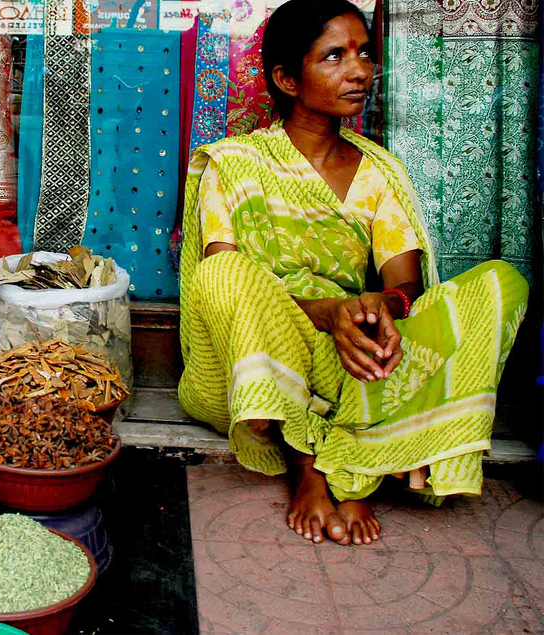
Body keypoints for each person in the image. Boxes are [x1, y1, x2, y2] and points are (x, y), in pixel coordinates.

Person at [178, 0, 529, 546]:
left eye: (364, 53)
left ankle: (348, 454)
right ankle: (310, 464)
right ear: (287, 79)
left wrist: (373, 310)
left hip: (360, 352)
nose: (360, 70)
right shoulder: (234, 163)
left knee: (501, 282)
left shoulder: (376, 170)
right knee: (221, 275)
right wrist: (327, 313)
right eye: (335, 56)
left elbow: (406, 286)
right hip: (268, 350)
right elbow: (227, 282)